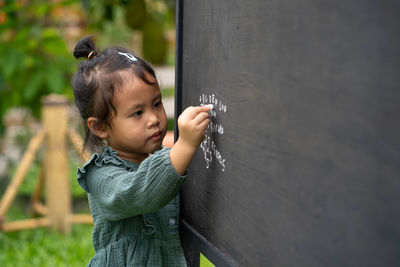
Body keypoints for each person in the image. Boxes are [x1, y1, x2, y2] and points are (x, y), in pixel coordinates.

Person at [72, 35, 210, 266]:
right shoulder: (101, 177)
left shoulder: (152, 157)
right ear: (100, 126)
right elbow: (141, 191)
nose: (154, 119)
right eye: (137, 113)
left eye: (156, 104)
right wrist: (185, 145)